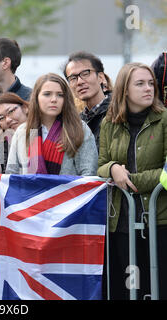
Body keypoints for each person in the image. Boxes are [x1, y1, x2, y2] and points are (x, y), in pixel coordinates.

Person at [97, 62, 167, 300]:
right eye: (140, 84)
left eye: (151, 83)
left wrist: (129, 181)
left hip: (159, 220)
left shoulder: (165, 119)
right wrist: (113, 169)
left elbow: (165, 172)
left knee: (158, 287)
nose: (148, 88)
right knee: (128, 289)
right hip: (122, 223)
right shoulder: (109, 123)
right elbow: (101, 165)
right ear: (124, 89)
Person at [6, 73, 98, 176]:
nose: (54, 99)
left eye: (60, 95)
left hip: (69, 192)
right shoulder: (22, 131)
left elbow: (89, 173)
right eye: (47, 94)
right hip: (30, 191)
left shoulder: (79, 128)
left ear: (65, 99)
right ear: (37, 97)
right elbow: (12, 174)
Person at [63, 51, 111, 149]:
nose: (79, 82)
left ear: (101, 77)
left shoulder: (119, 112)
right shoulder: (75, 123)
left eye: (85, 73)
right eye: (73, 78)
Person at [0, 92, 29, 172]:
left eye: (11, 111)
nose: (8, 120)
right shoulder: (1, 145)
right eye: (1, 118)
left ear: (25, 108)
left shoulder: (43, 131)